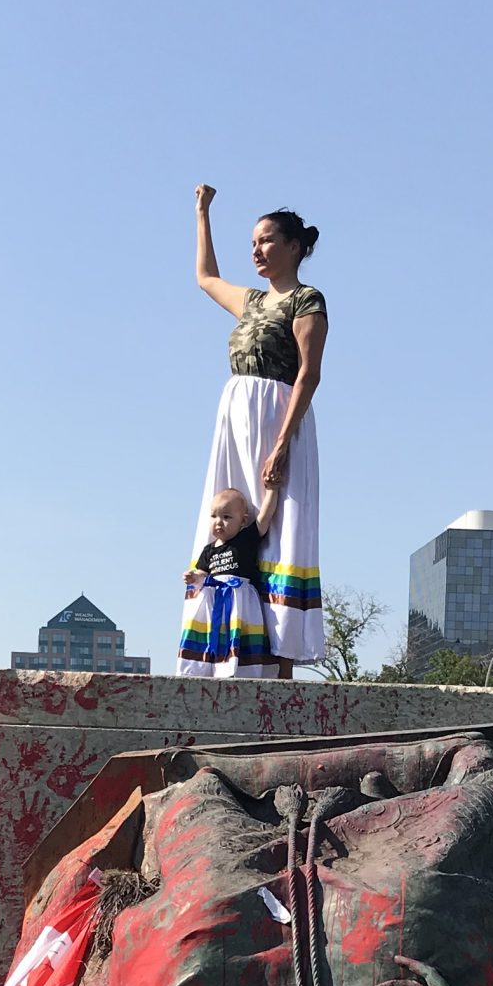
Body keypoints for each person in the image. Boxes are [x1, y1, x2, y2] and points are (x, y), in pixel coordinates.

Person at [192, 186, 327, 675]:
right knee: (229, 519)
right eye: (252, 242)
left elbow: (308, 373)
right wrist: (203, 213)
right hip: (236, 416)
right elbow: (206, 277)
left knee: (278, 528)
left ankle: (280, 657)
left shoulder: (306, 301)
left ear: (293, 246)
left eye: (267, 240)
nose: (256, 250)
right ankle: (229, 646)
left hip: (277, 414)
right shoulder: (250, 301)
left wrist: (281, 443)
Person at [177, 488, 272, 679]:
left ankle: (241, 669)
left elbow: (264, 518)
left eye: (226, 517)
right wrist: (193, 578)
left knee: (238, 634)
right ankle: (206, 667)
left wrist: (272, 491)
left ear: (243, 521)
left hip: (239, 599)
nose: (219, 522)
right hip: (214, 604)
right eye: (214, 516)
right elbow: (201, 575)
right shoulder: (208, 550)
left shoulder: (245, 539)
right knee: (213, 635)